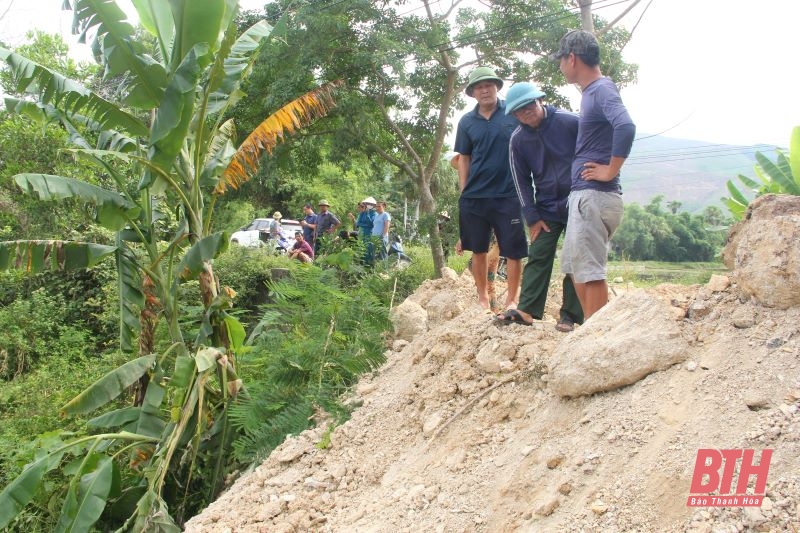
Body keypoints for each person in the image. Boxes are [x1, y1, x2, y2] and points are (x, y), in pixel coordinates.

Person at [552, 29, 636, 319]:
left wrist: (611, 169)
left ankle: (597, 334)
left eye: (561, 60)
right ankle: (592, 328)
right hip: (586, 196)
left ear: (572, 58)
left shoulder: (601, 89)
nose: (560, 66)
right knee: (575, 266)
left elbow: (625, 125)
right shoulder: (591, 93)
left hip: (595, 195)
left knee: (589, 270)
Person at [498, 81, 584, 332]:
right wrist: (532, 216)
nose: (526, 112)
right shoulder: (518, 140)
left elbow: (596, 146)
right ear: (514, 115)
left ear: (540, 100)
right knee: (538, 254)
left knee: (575, 257)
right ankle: (527, 310)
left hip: (577, 201)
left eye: (530, 105)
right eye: (519, 111)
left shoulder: (570, 122)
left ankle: (570, 315)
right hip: (546, 207)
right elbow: (521, 180)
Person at [454, 66, 527, 314]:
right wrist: (464, 192)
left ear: (497, 86)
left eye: (489, 85)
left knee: (514, 251)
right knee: (479, 249)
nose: (484, 90)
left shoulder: (513, 112)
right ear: (473, 92)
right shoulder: (466, 122)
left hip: (508, 193)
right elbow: (464, 157)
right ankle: (483, 298)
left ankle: (512, 301)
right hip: (475, 196)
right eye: (479, 86)